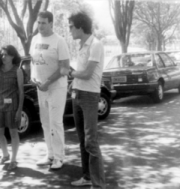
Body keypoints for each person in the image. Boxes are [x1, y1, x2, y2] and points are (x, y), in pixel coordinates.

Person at [68, 11, 106, 189]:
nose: (70, 31)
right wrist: (73, 84)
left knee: (91, 141)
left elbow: (88, 73)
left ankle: (98, 185)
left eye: (71, 27)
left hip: (90, 97)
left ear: (80, 27)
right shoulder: (82, 46)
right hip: (77, 94)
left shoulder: (96, 45)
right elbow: (81, 74)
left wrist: (70, 73)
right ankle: (87, 177)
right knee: (82, 139)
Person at [30, 11, 70, 169]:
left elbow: (65, 68)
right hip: (41, 88)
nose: (40, 26)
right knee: (45, 123)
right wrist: (34, 77)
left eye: (43, 23)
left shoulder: (59, 41)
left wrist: (48, 82)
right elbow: (34, 62)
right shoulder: (34, 39)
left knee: (55, 122)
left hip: (56, 88)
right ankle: (50, 154)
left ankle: (59, 157)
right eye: (38, 22)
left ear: (51, 23)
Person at [0, 45, 24, 171]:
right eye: (2, 54)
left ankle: (13, 160)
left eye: (6, 54)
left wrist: (19, 110)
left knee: (13, 133)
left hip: (12, 105)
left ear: (12, 56)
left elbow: (21, 91)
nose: (3, 57)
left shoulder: (17, 71)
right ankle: (5, 155)